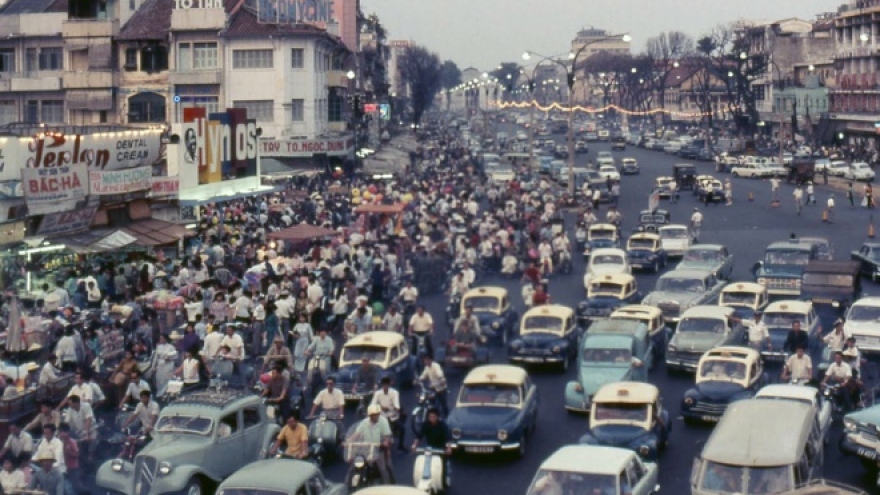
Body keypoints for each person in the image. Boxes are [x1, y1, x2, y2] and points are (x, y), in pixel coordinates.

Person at [350, 405, 393, 484]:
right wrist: (349, 441)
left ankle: (387, 486)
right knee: (354, 466)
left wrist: (386, 442)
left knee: (383, 469)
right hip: (366, 449)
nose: (376, 417)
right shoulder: (364, 422)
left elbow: (387, 435)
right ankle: (347, 485)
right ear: (370, 416)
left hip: (378, 449)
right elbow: (357, 434)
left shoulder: (383, 421)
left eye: (377, 414)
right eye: (374, 415)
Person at [411, 408, 451, 486]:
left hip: (441, 449)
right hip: (430, 448)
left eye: (433, 417)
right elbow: (419, 436)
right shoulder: (425, 424)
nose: (431, 419)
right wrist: (414, 445)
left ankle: (443, 481)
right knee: (426, 464)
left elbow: (448, 438)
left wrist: (448, 448)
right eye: (430, 417)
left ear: (437, 417)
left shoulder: (443, 425)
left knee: (442, 467)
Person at [371, 377, 404, 451]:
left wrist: (396, 408)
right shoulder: (378, 393)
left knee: (402, 429)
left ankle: (401, 445)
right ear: (382, 385)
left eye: (386, 385)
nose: (385, 387)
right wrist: (381, 408)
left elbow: (396, 404)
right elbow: (373, 404)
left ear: (389, 385)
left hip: (392, 415)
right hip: (381, 416)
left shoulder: (394, 393)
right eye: (383, 385)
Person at [152, 333, 179, 398]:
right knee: (159, 379)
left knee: (167, 379)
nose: (161, 339)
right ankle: (159, 394)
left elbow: (175, 356)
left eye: (162, 338)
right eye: (160, 338)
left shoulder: (171, 347)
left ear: (165, 339)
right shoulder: (158, 347)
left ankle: (166, 393)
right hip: (160, 365)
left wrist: (169, 358)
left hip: (168, 365)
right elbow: (156, 357)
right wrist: (153, 366)